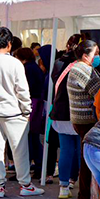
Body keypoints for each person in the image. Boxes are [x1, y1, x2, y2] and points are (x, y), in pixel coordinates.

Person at [0, 27, 44, 198]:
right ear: (10, 43)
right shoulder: (15, 63)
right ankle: (25, 184)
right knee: (20, 150)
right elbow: (22, 90)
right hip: (13, 112)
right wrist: (27, 110)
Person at [67, 39, 100, 199]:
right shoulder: (84, 71)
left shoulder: (76, 68)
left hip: (79, 120)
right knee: (88, 161)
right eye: (95, 53)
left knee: (86, 158)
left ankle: (83, 198)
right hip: (87, 120)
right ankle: (85, 198)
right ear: (85, 55)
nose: (98, 57)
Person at [50, 34, 83, 198]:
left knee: (66, 150)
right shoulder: (82, 65)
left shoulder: (58, 63)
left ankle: (64, 186)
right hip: (79, 112)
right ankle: (81, 185)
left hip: (61, 112)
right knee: (81, 151)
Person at [14, 47, 46, 179]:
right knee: (33, 137)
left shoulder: (26, 69)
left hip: (30, 104)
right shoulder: (35, 67)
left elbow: (25, 89)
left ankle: (30, 168)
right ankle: (38, 166)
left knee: (28, 138)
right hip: (36, 104)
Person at [38, 45, 59, 183]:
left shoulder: (52, 72)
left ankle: (50, 173)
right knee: (52, 143)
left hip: (53, 112)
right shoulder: (52, 71)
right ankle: (50, 172)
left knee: (52, 143)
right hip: (53, 111)